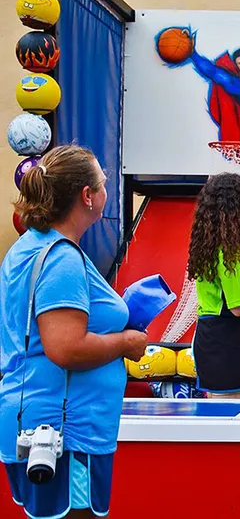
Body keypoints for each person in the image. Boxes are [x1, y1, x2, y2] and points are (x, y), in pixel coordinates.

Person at [0, 145, 148, 519]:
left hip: (43, 423)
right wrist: (126, 342)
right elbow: (65, 348)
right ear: (87, 196)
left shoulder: (29, 248)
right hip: (65, 433)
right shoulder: (61, 258)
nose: (106, 189)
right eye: (102, 182)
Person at [187, 173, 240, 399]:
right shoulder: (230, 251)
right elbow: (238, 308)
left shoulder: (206, 244)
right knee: (232, 420)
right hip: (226, 341)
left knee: (218, 416)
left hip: (208, 336)